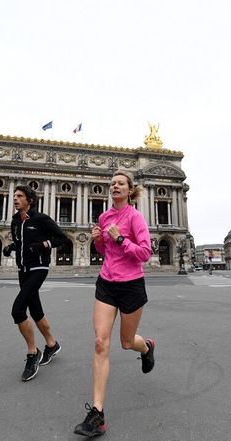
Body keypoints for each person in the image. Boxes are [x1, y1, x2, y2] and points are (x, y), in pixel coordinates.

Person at [74, 170, 155, 438]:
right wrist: (99, 239)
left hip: (131, 285)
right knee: (100, 342)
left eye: (120, 183)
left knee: (127, 341)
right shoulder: (104, 216)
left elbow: (144, 252)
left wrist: (121, 238)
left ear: (130, 190)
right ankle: (97, 413)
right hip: (107, 283)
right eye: (112, 184)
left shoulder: (136, 217)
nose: (114, 186)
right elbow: (103, 251)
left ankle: (147, 347)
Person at [3, 185, 67, 381]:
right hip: (23, 269)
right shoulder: (15, 222)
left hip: (38, 268)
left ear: (29, 200)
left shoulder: (41, 219)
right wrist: (11, 247)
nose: (15, 199)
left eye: (19, 196)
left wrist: (42, 245)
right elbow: (22, 242)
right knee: (35, 310)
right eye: (14, 196)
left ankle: (32, 353)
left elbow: (61, 238)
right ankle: (52, 344)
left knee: (18, 310)